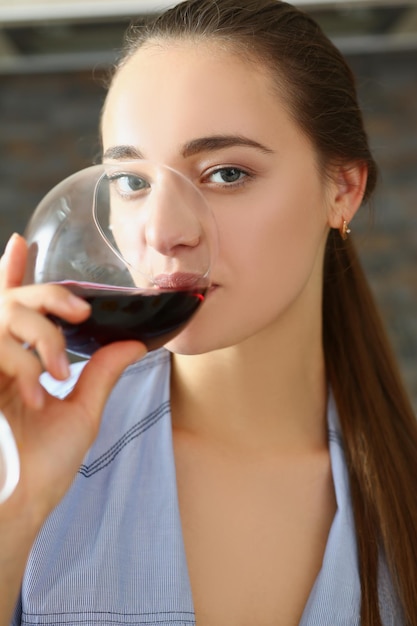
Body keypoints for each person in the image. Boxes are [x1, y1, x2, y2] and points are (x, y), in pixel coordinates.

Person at [0, 0, 416, 624]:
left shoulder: (400, 499)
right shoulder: (28, 445)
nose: (163, 232)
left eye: (226, 173)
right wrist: (18, 507)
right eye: (132, 181)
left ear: (342, 190)